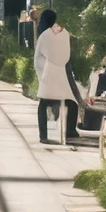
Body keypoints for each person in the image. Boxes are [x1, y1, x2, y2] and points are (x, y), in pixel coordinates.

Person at [34, 8, 81, 143]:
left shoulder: (43, 36)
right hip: (61, 79)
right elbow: (66, 56)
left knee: (43, 105)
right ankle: (70, 131)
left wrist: (42, 76)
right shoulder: (63, 33)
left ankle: (43, 136)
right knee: (72, 103)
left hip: (47, 79)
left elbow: (38, 59)